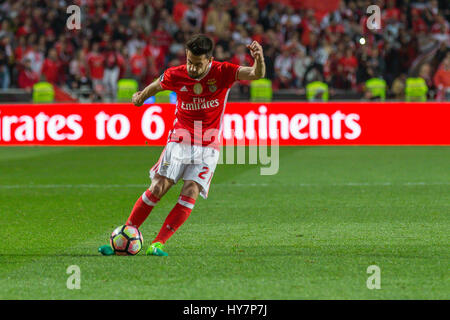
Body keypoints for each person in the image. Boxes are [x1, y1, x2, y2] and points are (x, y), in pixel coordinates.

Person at [99, 34, 266, 256]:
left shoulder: (223, 71)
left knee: (190, 191)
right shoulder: (176, 74)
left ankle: (158, 244)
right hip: (181, 138)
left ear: (210, 59)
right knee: (159, 187)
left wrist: (259, 58)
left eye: (197, 64)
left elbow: (256, 73)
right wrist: (140, 97)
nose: (192, 68)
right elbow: (157, 86)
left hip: (209, 144)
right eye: (189, 62)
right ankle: (125, 234)